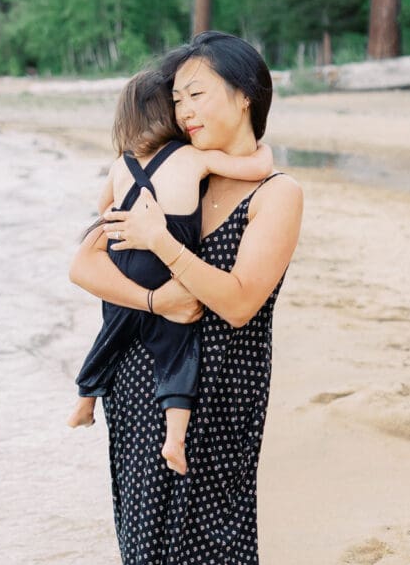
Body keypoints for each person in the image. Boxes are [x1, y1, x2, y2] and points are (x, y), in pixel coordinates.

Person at [69, 31, 328, 565]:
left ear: (245, 94)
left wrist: (163, 248)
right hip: (137, 390)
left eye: (198, 93)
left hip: (221, 392)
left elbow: (241, 300)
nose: (183, 108)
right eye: (176, 95)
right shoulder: (167, 172)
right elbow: (89, 264)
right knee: (150, 557)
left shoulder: (277, 192)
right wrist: (153, 293)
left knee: (211, 557)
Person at [67, 68, 272, 475]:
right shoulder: (194, 158)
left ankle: (85, 400)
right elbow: (254, 169)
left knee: (109, 333)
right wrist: (264, 151)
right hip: (164, 265)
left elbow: (103, 207)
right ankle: (175, 438)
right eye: (179, 101)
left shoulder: (120, 165)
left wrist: (121, 211)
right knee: (177, 350)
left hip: (126, 257)